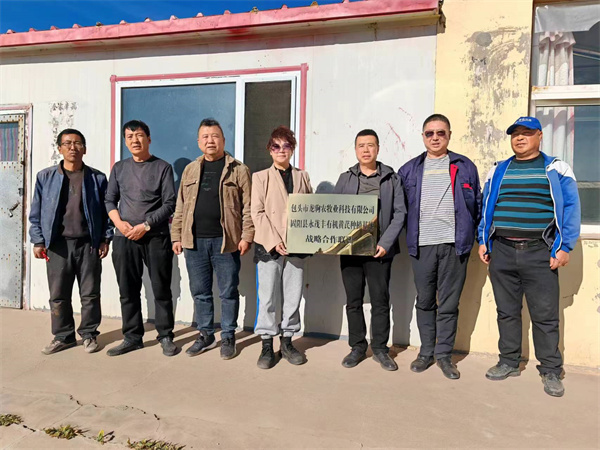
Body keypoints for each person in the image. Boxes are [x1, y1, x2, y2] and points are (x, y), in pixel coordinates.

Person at [478, 116, 581, 397]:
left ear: (539, 136)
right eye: (515, 134)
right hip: (502, 251)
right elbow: (486, 206)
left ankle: (551, 370)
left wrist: (564, 247)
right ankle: (508, 361)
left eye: (526, 133)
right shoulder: (498, 169)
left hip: (539, 252)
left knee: (545, 315)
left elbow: (571, 208)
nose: (520, 138)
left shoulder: (556, 168)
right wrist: (483, 240)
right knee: (506, 312)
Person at [398, 114, 482, 379]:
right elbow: (400, 210)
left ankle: (444, 355)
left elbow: (477, 205)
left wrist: (478, 238)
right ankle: (426, 352)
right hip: (422, 246)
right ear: (423, 136)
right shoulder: (409, 170)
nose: (435, 138)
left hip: (455, 246)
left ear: (449, 135)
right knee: (424, 301)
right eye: (430, 133)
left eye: (440, 133)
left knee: (448, 303)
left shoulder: (464, 166)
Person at [171, 118, 254, 360]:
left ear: (223, 140)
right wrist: (176, 236)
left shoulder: (239, 170)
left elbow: (248, 207)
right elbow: (180, 206)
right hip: (194, 242)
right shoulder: (190, 169)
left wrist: (247, 236)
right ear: (199, 142)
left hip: (226, 242)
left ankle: (228, 336)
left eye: (215, 136)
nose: (210, 141)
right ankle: (206, 334)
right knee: (200, 291)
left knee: (228, 292)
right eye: (205, 137)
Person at [29, 128, 112, 354]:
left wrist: (105, 239)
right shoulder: (45, 177)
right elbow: (36, 212)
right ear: (60, 148)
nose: (72, 147)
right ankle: (63, 336)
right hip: (58, 245)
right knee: (58, 295)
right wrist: (38, 241)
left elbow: (107, 212)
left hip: (88, 244)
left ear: (84, 149)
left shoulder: (97, 178)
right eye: (67, 143)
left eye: (77, 143)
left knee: (90, 294)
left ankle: (89, 334)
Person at [334, 129, 406, 371]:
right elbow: (333, 211)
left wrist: (385, 243)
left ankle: (380, 349)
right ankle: (357, 346)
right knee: (353, 300)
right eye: (361, 145)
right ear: (355, 150)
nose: (366, 150)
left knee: (380, 300)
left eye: (370, 145)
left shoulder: (391, 178)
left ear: (378, 149)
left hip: (379, 250)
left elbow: (400, 214)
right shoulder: (345, 178)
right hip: (350, 250)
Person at [105, 120, 178, 357]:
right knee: (128, 290)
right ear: (125, 141)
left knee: (161, 288)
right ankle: (132, 337)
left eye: (139, 135)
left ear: (148, 139)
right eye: (129, 136)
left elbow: (170, 203)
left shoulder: (163, 167)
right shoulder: (119, 168)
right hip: (124, 237)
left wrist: (145, 225)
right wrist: (119, 224)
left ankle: (165, 335)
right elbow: (109, 200)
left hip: (155, 236)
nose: (134, 140)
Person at [251, 126, 313, 369]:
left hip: (296, 245)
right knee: (267, 296)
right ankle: (267, 343)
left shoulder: (303, 176)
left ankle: (287, 341)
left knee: (293, 295)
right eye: (276, 146)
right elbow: (257, 212)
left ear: (292, 149)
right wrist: (275, 240)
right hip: (269, 245)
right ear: (269, 149)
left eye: (286, 146)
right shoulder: (260, 177)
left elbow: (310, 210)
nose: (281, 150)